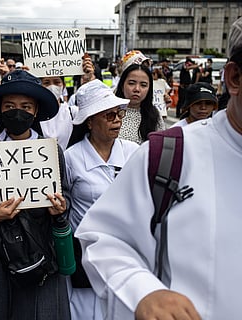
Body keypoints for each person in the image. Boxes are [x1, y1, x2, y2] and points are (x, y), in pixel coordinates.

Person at [74, 16, 242, 320]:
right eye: (131, 83)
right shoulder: (168, 152)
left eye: (143, 84)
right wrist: (143, 290)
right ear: (234, 79)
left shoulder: (151, 121)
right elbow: (104, 238)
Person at [0, 69, 71, 320]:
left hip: (39, 249)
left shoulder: (51, 152)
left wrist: (58, 208)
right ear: (0, 109)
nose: (17, 111)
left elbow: (64, 192)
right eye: (9, 105)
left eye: (25, 106)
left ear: (35, 112)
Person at [64, 79, 139, 320]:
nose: (117, 119)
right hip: (84, 256)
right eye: (109, 115)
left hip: (124, 251)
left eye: (119, 114)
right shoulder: (70, 158)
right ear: (89, 122)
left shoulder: (134, 152)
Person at [115, 63, 165, 144]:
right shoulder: (109, 112)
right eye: (131, 83)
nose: (137, 89)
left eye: (143, 85)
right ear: (122, 86)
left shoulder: (154, 115)